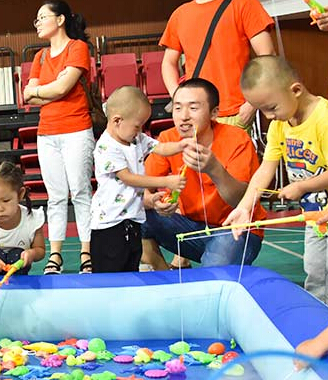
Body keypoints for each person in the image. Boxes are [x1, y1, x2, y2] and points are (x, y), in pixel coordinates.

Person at [224, 56, 328, 302]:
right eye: (261, 110)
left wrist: (302, 186)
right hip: (317, 216)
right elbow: (265, 170)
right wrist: (244, 207)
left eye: (271, 108)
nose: (268, 116)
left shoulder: (323, 119)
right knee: (316, 271)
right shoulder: (280, 125)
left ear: (296, 90)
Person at [142, 78, 265, 268]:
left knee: (213, 276)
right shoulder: (169, 139)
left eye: (193, 108)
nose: (184, 116)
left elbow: (240, 201)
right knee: (132, 216)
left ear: (214, 113)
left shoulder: (237, 139)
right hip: (190, 227)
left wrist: (214, 169)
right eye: (177, 108)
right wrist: (153, 201)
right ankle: (165, 274)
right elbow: (138, 190)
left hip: (234, 229)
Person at [161, 0, 274, 130]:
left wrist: (252, 103)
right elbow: (168, 63)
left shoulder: (243, 3)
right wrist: (178, 97)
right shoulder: (180, 14)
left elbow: (268, 57)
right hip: (194, 114)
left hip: (234, 112)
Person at [23, 0, 94, 274]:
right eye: (37, 19)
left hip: (77, 129)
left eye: (43, 17)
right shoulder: (39, 56)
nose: (38, 23)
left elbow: (62, 88)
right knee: (55, 196)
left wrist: (44, 90)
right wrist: (51, 89)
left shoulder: (78, 48)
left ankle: (86, 252)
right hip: (47, 133)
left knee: (81, 192)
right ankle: (56, 256)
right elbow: (29, 95)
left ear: (61, 19)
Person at [90, 86, 189, 273]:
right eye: (137, 126)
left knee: (131, 265)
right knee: (110, 272)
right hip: (110, 224)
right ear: (117, 120)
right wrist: (166, 182)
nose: (140, 130)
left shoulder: (136, 139)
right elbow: (128, 178)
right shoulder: (107, 146)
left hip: (132, 218)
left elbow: (160, 148)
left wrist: (181, 145)